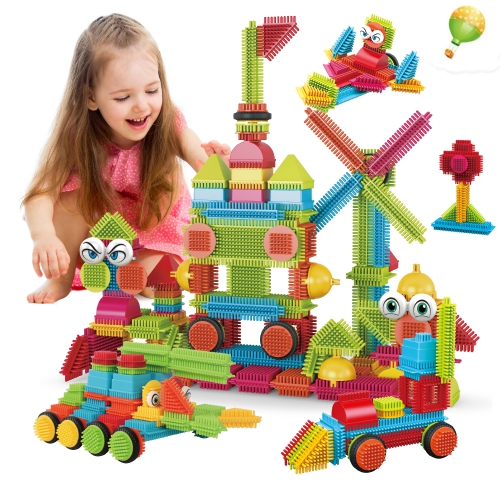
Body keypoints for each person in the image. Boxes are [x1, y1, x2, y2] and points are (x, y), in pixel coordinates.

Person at [22, 14, 230, 304]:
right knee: (69, 199)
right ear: (91, 97)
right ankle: (61, 279)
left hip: (154, 232)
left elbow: (197, 155)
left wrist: (217, 165)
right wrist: (44, 236)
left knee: (161, 284)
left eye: (152, 90)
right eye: (123, 98)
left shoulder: (168, 122)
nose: (141, 106)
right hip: (100, 236)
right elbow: (41, 193)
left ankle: (124, 273)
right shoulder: (77, 137)